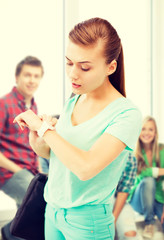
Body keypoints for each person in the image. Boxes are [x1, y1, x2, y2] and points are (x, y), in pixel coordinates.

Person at [13, 17, 142, 240]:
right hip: (52, 210)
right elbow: (61, 159)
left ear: (110, 67)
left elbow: (85, 167)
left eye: (84, 67)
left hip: (87, 222)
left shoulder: (126, 114)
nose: (73, 73)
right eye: (69, 62)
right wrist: (39, 144)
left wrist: (45, 130)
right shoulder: (74, 100)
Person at [0, 56, 44, 240]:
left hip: (29, 170)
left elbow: (31, 144)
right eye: (27, 75)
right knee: (36, 198)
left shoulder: (32, 106)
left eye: (36, 76)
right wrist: (19, 170)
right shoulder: (4, 104)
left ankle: (12, 233)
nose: (32, 80)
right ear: (17, 77)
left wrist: (40, 171)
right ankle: (9, 233)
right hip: (9, 173)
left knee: (47, 193)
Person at [128, 116, 164, 239]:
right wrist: (159, 171)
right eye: (143, 129)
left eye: (150, 129)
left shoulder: (161, 150)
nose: (147, 133)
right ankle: (149, 223)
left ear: (155, 133)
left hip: (157, 198)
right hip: (138, 199)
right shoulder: (134, 153)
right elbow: (141, 173)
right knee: (148, 181)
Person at [113, 152, 139, 240]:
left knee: (130, 234)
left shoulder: (130, 158)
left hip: (117, 199)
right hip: (96, 202)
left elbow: (123, 191)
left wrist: (113, 220)